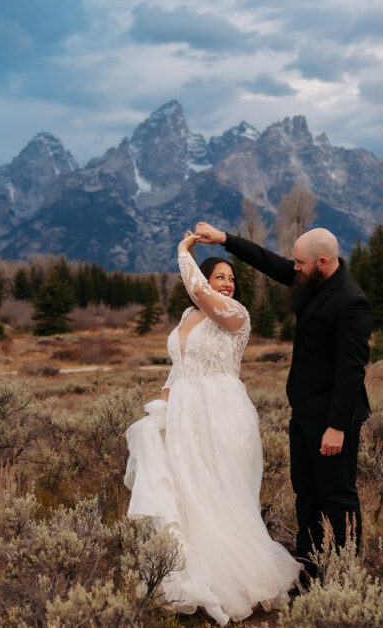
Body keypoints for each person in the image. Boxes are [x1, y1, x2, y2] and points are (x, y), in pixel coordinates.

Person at [124, 231, 300, 625]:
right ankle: (191, 577)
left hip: (222, 412)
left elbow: (200, 293)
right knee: (190, 492)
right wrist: (164, 404)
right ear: (206, 278)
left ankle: (241, 582)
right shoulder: (189, 316)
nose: (228, 283)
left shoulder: (234, 315)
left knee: (223, 492)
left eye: (231, 278)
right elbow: (178, 364)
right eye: (220, 276)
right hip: (186, 412)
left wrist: (182, 251)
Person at [193, 222, 371, 577]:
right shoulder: (310, 282)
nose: (295, 268)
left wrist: (336, 426)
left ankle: (345, 575)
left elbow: (352, 371)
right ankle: (309, 568)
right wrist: (225, 239)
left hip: (333, 420)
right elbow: (267, 261)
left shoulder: (351, 301)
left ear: (322, 262)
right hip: (303, 413)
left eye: (301, 263)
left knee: (337, 496)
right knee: (305, 492)